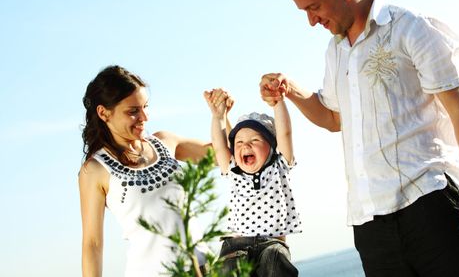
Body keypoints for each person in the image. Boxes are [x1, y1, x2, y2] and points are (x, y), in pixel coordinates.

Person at [260, 0, 459, 277]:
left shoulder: (410, 28)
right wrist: (292, 90)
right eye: (305, 13)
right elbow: (332, 118)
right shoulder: (335, 51)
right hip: (371, 229)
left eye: (314, 8)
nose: (312, 22)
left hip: (430, 207)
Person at [79, 65, 209, 277]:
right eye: (133, 111)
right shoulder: (95, 169)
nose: (144, 117)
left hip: (203, 268)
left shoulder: (165, 142)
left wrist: (221, 115)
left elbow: (226, 156)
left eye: (145, 107)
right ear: (103, 113)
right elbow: (92, 244)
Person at [203, 88, 301, 277]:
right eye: (239, 143)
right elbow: (219, 144)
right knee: (228, 268)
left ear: (272, 145)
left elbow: (285, 133)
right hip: (237, 245)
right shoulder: (233, 170)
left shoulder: (279, 166)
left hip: (271, 244)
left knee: (276, 260)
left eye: (254, 140)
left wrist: (278, 102)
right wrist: (218, 116)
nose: (245, 146)